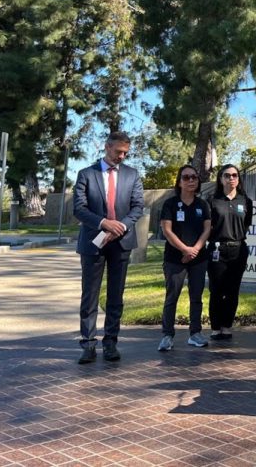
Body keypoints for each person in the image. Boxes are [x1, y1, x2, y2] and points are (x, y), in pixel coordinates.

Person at [73, 131, 144, 363]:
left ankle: (111, 342)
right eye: (118, 151)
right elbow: (79, 208)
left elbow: (137, 207)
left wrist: (119, 227)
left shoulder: (132, 175)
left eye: (125, 153)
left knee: (116, 295)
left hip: (120, 242)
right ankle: (88, 344)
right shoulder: (86, 174)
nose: (121, 156)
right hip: (93, 242)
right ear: (107, 147)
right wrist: (104, 223)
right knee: (90, 295)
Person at [158, 165, 211, 351]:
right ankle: (167, 335)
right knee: (172, 296)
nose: (191, 181)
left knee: (196, 297)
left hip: (199, 258)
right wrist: (185, 249)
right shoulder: (170, 204)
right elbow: (167, 230)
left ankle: (195, 334)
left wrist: (195, 249)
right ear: (179, 182)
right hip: (175, 259)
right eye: (186, 177)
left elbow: (207, 229)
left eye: (194, 177)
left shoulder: (202, 205)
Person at [207, 164, 253, 341]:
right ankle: (215, 327)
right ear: (220, 179)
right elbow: (208, 225)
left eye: (234, 175)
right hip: (217, 249)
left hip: (238, 249)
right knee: (216, 289)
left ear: (238, 179)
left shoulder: (245, 201)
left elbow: (246, 224)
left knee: (233, 290)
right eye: (227, 175)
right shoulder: (212, 200)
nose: (231, 178)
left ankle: (227, 326)